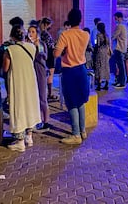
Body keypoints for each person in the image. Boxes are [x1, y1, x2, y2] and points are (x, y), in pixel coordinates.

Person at [54, 8, 90, 144]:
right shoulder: (85, 34)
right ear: (80, 19)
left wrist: (62, 51)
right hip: (82, 70)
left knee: (71, 102)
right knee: (80, 100)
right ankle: (82, 130)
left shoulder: (65, 34)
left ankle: (75, 134)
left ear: (69, 19)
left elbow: (56, 54)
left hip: (70, 71)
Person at [3, 25, 41, 152]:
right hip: (30, 80)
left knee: (19, 108)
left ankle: (20, 142)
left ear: (12, 36)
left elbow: (5, 68)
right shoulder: (32, 47)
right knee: (29, 106)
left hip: (17, 81)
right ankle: (29, 137)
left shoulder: (10, 49)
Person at [27, 24, 50, 132]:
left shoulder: (41, 44)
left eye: (33, 32)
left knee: (42, 98)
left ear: (37, 34)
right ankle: (36, 121)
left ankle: (46, 122)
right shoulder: (26, 45)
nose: (30, 34)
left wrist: (37, 48)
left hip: (40, 72)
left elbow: (45, 57)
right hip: (30, 72)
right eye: (29, 31)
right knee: (32, 98)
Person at [39, 17, 57, 101]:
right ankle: (50, 93)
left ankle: (48, 93)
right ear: (46, 24)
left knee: (46, 75)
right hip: (50, 56)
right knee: (50, 75)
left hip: (45, 55)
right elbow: (50, 46)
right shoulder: (45, 34)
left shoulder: (40, 34)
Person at [111, 12, 128, 89]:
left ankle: (122, 82)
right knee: (120, 66)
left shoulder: (120, 26)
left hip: (119, 48)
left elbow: (114, 36)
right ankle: (119, 81)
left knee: (121, 67)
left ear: (119, 17)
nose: (115, 20)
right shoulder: (124, 26)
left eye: (116, 18)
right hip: (122, 48)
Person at [93, 22, 111, 91]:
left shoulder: (98, 35)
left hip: (100, 52)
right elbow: (108, 44)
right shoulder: (107, 35)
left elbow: (97, 44)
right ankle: (107, 83)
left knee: (100, 67)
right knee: (106, 67)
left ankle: (99, 84)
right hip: (106, 53)